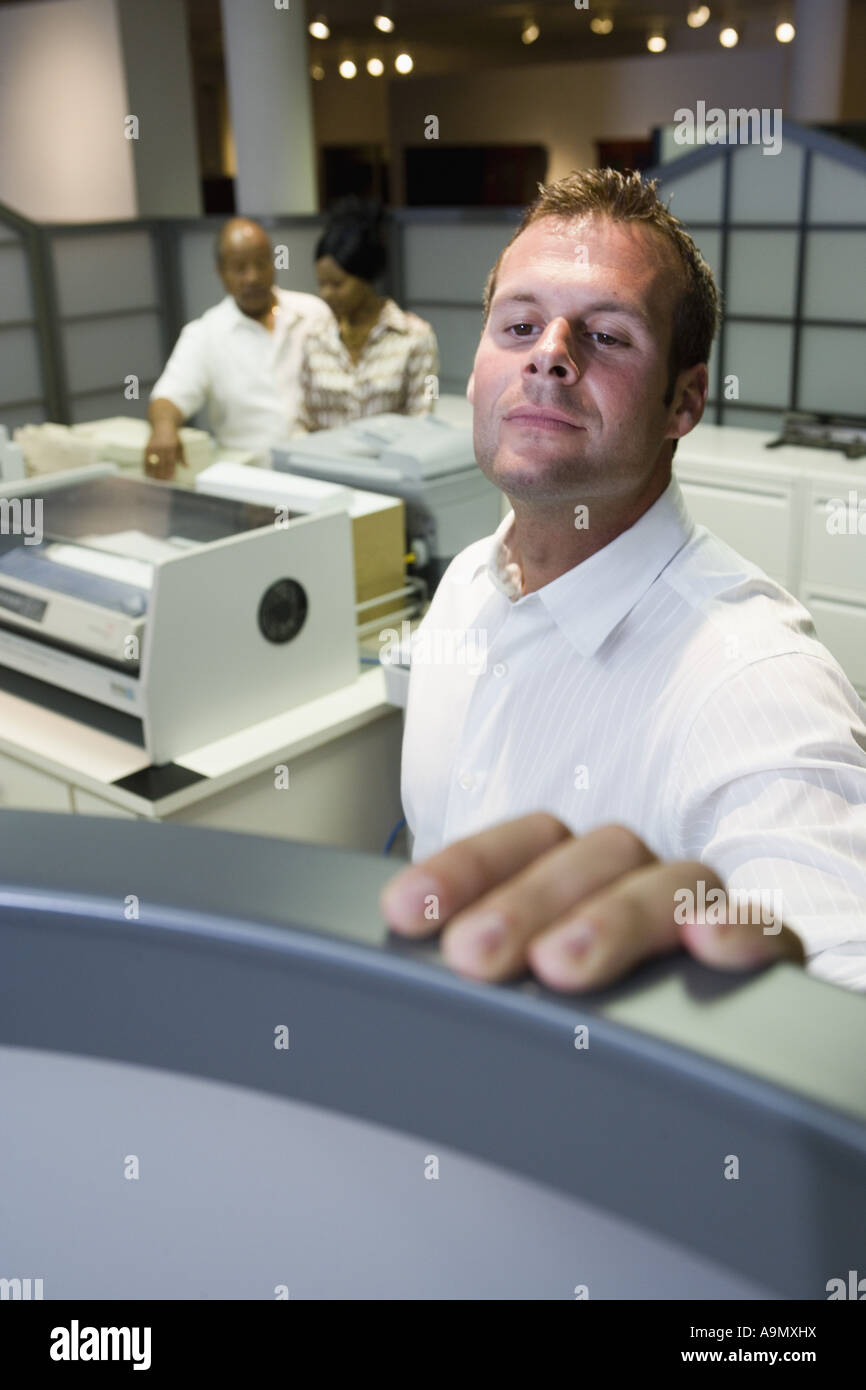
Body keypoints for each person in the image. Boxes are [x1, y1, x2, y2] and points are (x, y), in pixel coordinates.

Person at [381, 169, 866, 995]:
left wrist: (791, 1011)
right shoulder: (467, 585)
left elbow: (839, 980)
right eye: (520, 324)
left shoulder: (756, 684)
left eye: (606, 337)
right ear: (473, 374)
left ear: (685, 400)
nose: (549, 355)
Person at [145, 217, 330, 477]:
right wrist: (164, 428)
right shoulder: (205, 334)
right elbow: (170, 395)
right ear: (220, 272)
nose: (252, 277)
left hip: (323, 468)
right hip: (251, 478)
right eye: (239, 268)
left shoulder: (314, 314)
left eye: (260, 263)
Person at [295, 199, 439, 432]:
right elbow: (302, 419)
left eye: (337, 284)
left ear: (366, 277)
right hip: (320, 463)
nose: (327, 294)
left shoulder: (415, 337)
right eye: (321, 284)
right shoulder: (314, 336)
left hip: (390, 465)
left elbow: (422, 418)